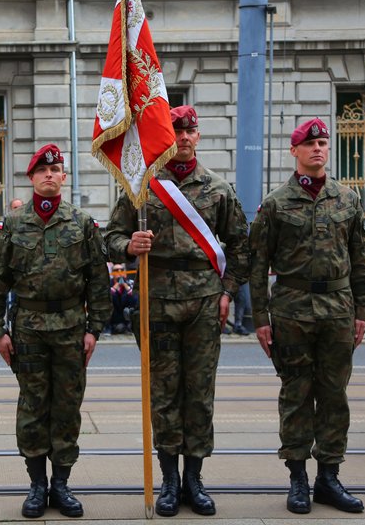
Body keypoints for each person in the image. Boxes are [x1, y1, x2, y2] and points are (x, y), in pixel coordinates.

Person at [105, 105, 249, 517]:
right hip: (156, 299)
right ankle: (169, 480)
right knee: (164, 394)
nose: (184, 137)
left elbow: (241, 245)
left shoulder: (219, 189)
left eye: (190, 131)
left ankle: (194, 479)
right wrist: (129, 246)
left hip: (204, 302)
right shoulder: (144, 187)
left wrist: (228, 291)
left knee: (199, 393)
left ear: (198, 136)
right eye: (177, 131)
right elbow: (110, 235)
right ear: (167, 136)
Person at [249, 117, 365, 515]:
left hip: (338, 308)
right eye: (309, 143)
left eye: (323, 142)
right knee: (297, 394)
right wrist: (261, 318)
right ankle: (298, 477)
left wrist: (363, 310)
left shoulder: (348, 200)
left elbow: (360, 261)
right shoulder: (275, 203)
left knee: (335, 395)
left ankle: (329, 477)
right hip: (292, 308)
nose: (318, 148)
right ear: (294, 151)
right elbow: (257, 264)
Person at [0, 143, 111, 518]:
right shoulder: (14, 224)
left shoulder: (82, 223)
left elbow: (97, 281)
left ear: (64, 178)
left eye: (55, 171)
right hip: (28, 329)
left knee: (68, 407)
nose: (49, 176)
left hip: (72, 328)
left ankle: (62, 484)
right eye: (42, 171)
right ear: (32, 178)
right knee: (33, 405)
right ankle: (37, 485)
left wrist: (95, 329)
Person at [107, 263, 136, 335]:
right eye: (116, 270)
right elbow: (107, 300)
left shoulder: (131, 283)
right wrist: (115, 287)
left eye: (122, 270)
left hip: (127, 317)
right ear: (112, 273)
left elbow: (135, 300)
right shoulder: (107, 284)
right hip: (114, 318)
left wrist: (126, 286)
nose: (120, 272)